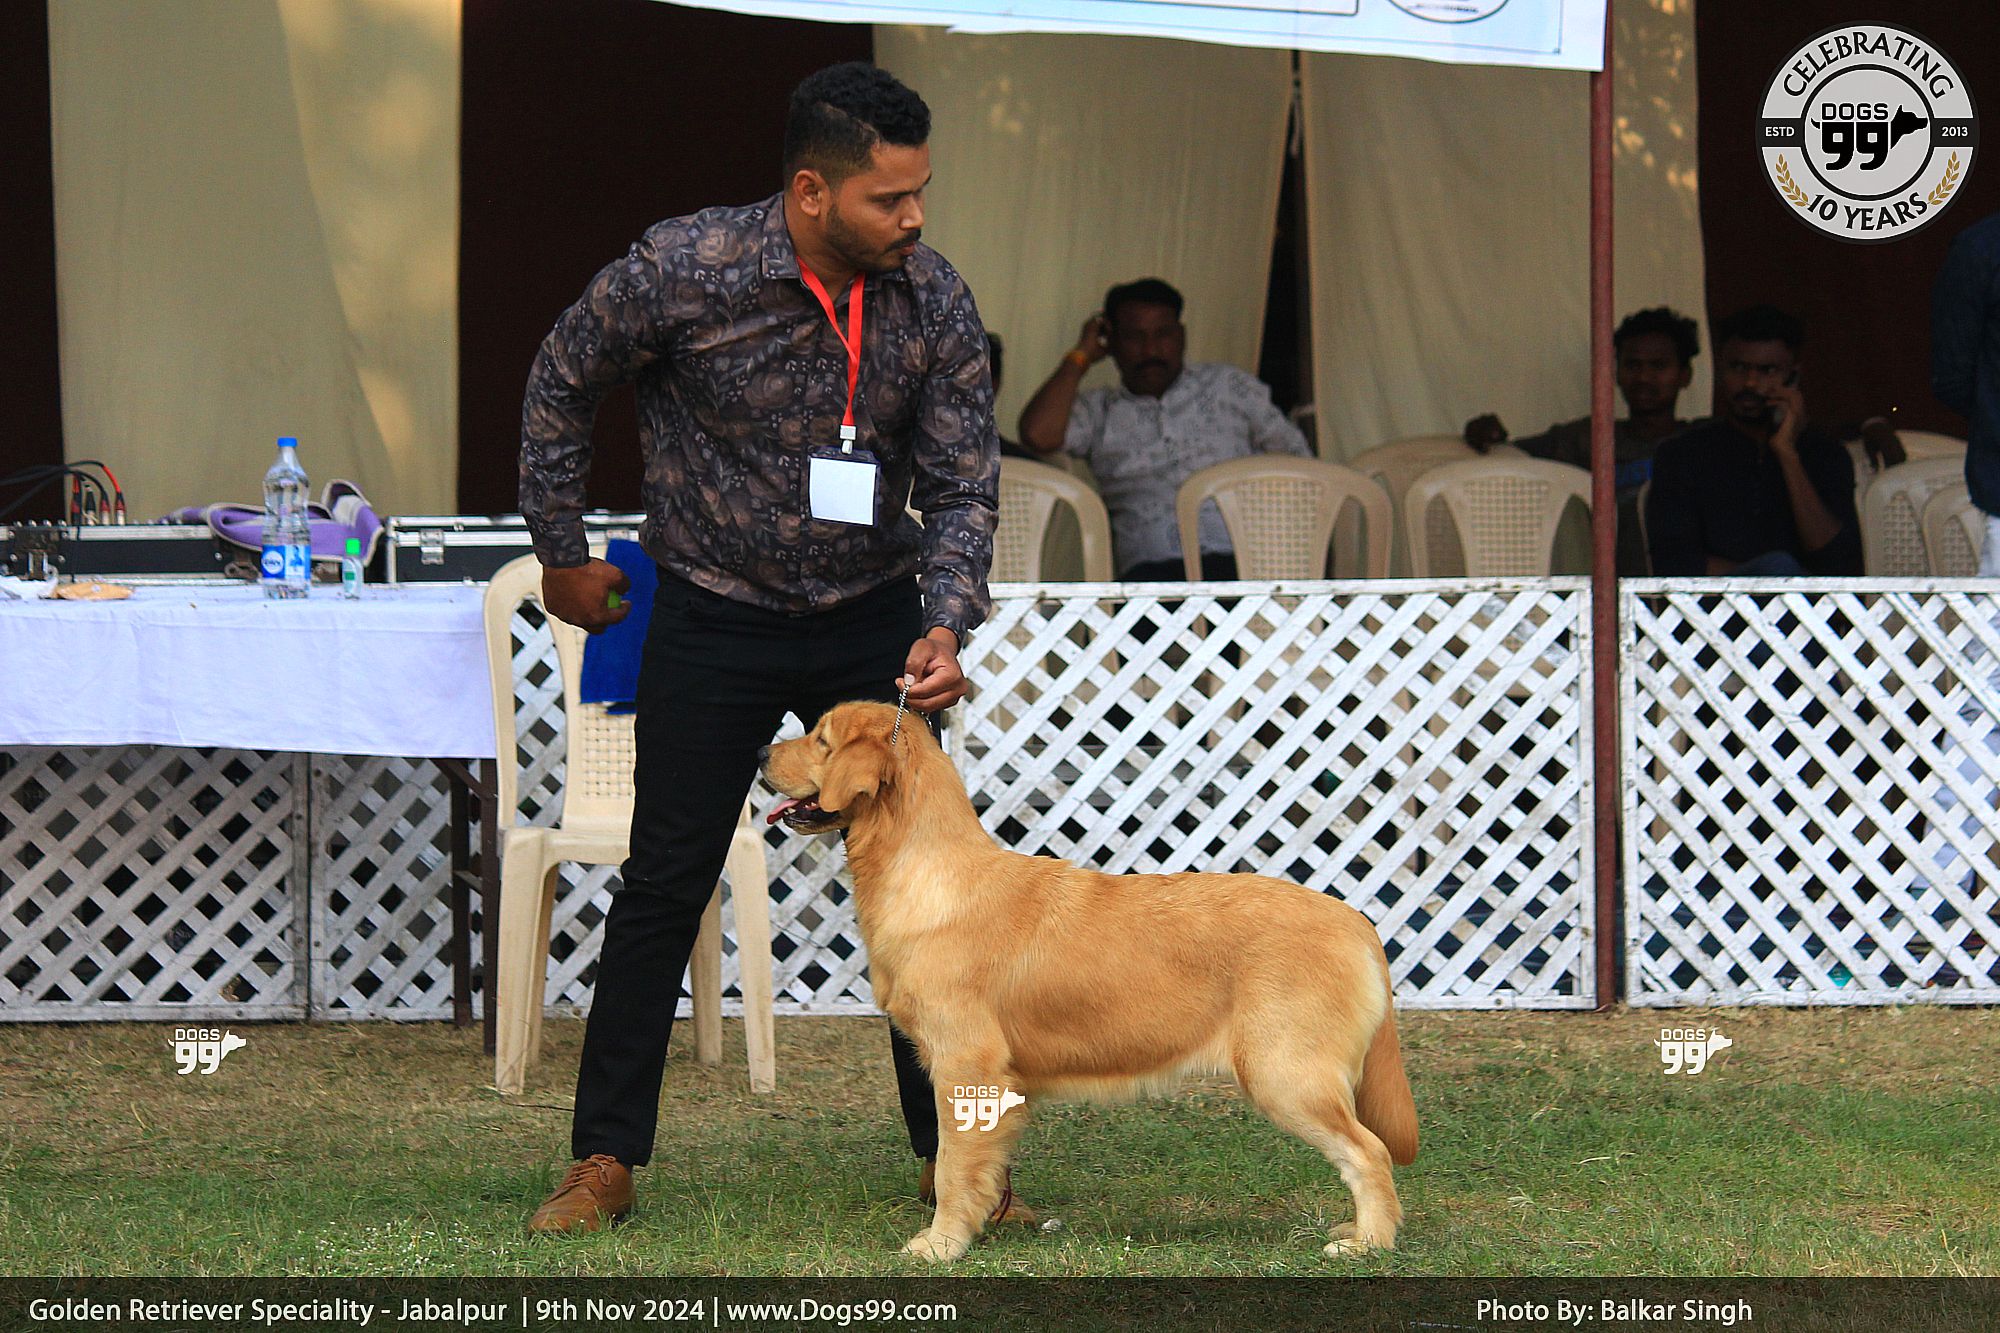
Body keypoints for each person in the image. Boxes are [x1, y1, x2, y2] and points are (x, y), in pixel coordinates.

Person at [516, 62, 1022, 1234]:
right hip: (711, 609)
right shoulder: (683, 267)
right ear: (810, 192)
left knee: (939, 899)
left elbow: (962, 485)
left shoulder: (933, 299)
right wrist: (560, 550)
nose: (915, 217)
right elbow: (559, 380)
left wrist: (945, 620)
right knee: (664, 881)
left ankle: (966, 1172)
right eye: (889, 199)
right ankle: (603, 1159)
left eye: (921, 193)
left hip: (872, 616)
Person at [1015, 278, 1310, 579]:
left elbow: (1299, 466)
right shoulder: (1098, 410)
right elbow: (1038, 434)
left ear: (1181, 336)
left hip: (1245, 567)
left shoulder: (1229, 387)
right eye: (1134, 337)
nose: (1151, 350)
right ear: (1111, 342)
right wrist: (1081, 355)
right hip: (1151, 577)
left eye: (1163, 334)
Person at [1461, 307, 1699, 576]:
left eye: (1658, 366)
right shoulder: (1588, 439)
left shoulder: (1704, 441)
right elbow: (1509, 457)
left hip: (1684, 587)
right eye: (1633, 365)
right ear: (1616, 371)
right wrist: (1484, 433)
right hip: (1601, 586)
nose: (1644, 377)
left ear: (1685, 375)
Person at [1644, 305, 1862, 577]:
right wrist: (1766, 581)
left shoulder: (1825, 454)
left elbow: (1838, 562)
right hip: (1718, 602)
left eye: (1767, 371)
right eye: (1738, 368)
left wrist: (1787, 454)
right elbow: (1674, 564)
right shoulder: (1682, 455)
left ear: (1793, 376)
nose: (1749, 383)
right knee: (1777, 567)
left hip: (1807, 603)